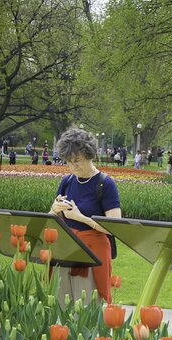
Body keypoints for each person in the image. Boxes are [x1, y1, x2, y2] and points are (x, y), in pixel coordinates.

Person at [48, 128, 121, 305]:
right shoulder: (67, 180)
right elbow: (51, 217)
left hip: (93, 250)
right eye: (69, 162)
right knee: (61, 303)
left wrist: (80, 217)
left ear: (89, 155)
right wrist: (54, 210)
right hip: (66, 248)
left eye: (77, 161)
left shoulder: (105, 183)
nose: (73, 167)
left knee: (89, 304)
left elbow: (115, 226)